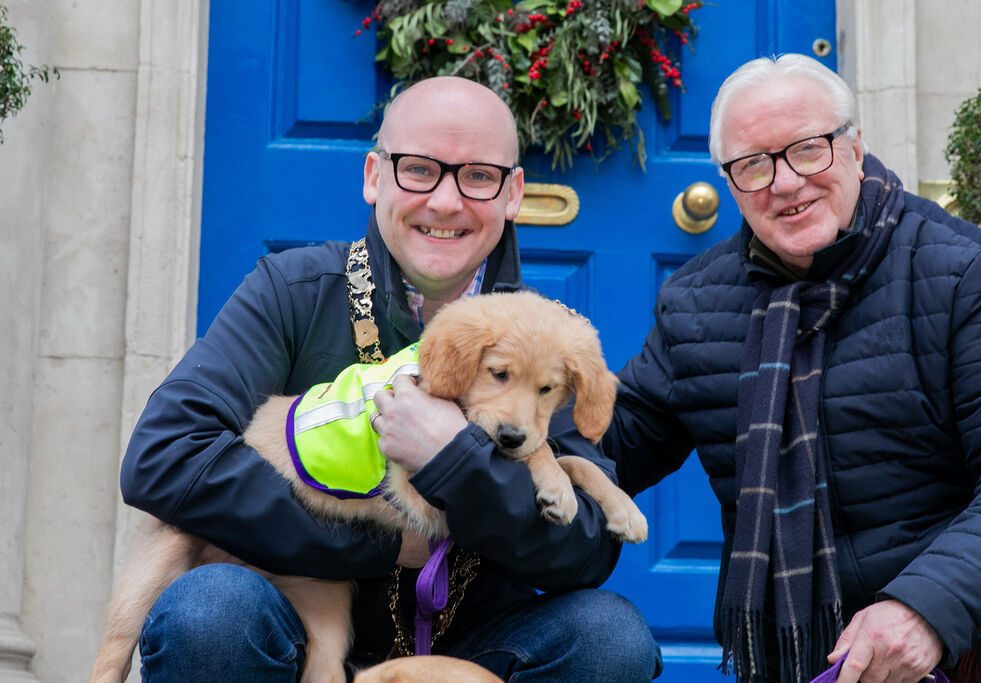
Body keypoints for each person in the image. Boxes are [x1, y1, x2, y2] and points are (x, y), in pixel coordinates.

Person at [120, 76, 661, 682]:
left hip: (471, 644)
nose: (447, 202)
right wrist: (377, 546)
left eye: (478, 176)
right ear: (375, 176)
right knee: (209, 610)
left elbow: (585, 550)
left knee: (610, 638)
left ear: (512, 194)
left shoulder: (542, 338)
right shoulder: (291, 290)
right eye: (419, 169)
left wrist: (456, 463)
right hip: (297, 626)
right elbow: (165, 458)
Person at [603, 54, 981, 683]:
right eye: (754, 164)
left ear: (853, 148)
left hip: (957, 617)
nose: (785, 183)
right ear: (730, 182)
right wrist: (506, 400)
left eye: (808, 149)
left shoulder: (960, 271)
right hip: (806, 643)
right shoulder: (695, 304)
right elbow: (610, 442)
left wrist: (925, 608)